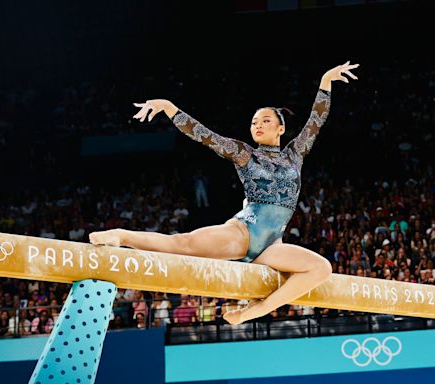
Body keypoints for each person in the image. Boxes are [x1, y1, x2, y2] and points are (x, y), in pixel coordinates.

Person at [90, 61, 359, 324]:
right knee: (182, 246)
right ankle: (122, 235)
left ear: (281, 128)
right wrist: (169, 108)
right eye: (254, 122)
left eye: (266, 120)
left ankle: (253, 311)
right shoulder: (245, 155)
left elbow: (315, 122)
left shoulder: (295, 154)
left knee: (321, 268)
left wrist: (325, 82)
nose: (258, 125)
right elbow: (206, 136)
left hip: (272, 245)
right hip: (243, 233)